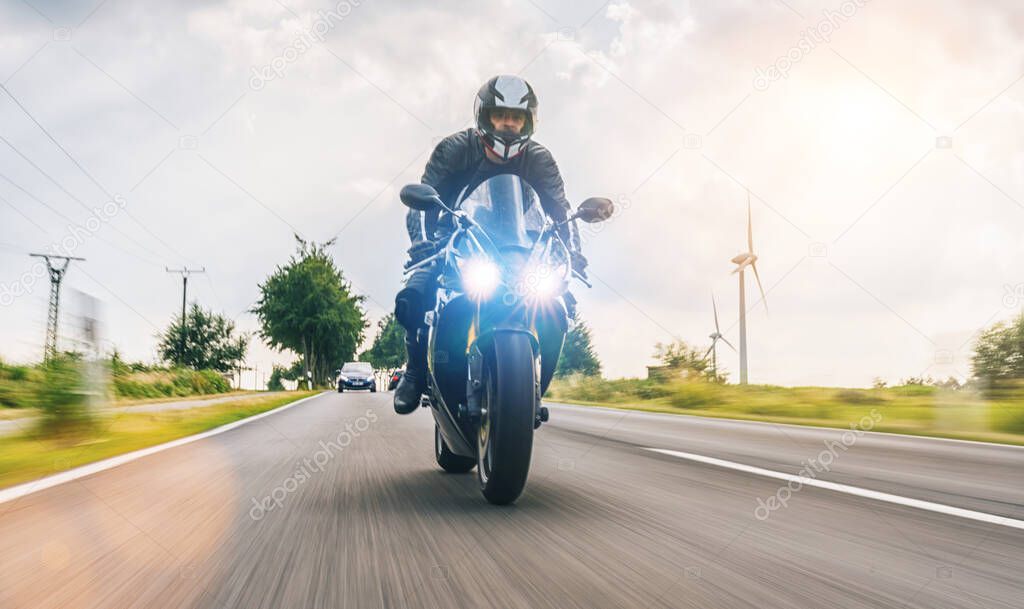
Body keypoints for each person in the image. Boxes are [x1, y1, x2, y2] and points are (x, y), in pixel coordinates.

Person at [393, 75, 586, 414]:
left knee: (557, 307)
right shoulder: (455, 149)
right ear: (485, 117)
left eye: (517, 117)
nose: (509, 124)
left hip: (523, 248)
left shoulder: (539, 159)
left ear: (528, 122)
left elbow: (561, 211)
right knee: (412, 299)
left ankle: (532, 390)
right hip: (455, 239)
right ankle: (415, 371)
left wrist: (574, 252)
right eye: (501, 116)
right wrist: (421, 244)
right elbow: (419, 199)